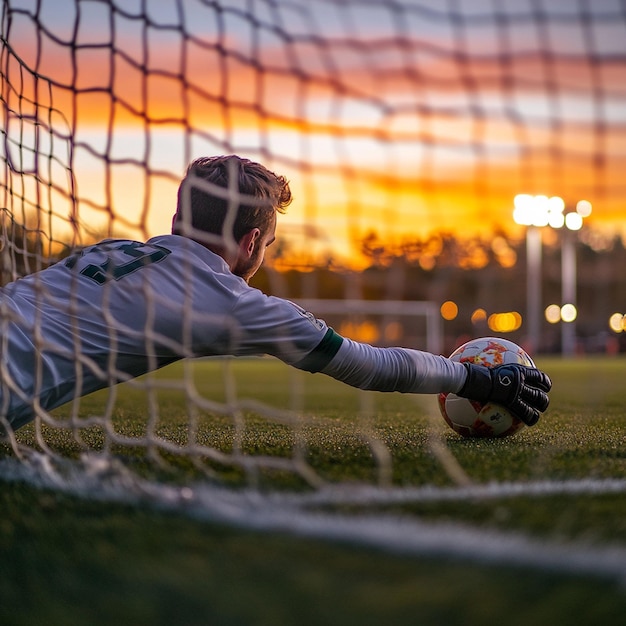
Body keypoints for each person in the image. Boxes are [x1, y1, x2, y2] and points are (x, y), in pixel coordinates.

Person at [0, 155, 551, 432]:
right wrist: (476, 379)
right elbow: (367, 363)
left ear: (175, 218)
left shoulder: (112, 251)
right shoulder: (221, 299)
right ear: (252, 241)